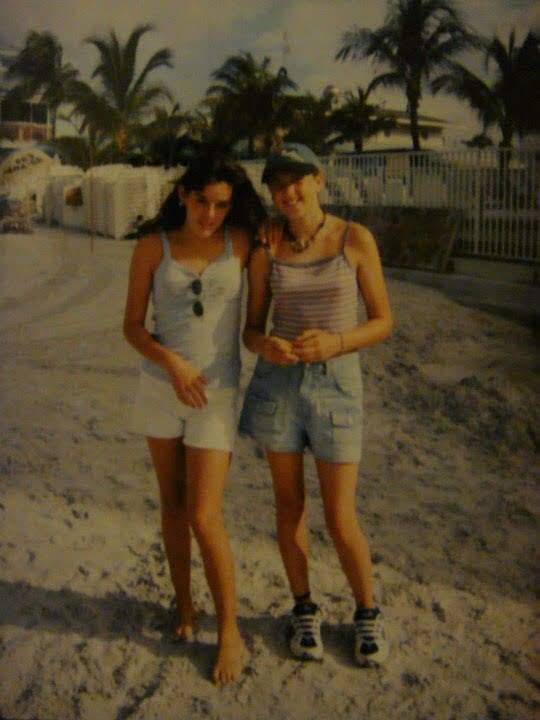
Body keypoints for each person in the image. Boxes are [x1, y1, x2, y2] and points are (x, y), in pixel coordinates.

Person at [239, 143, 393, 666]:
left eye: (297, 180)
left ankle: (367, 612)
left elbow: (382, 320)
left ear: (319, 179)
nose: (288, 192)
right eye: (278, 185)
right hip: (278, 385)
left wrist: (337, 342)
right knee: (289, 507)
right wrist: (267, 345)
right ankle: (303, 608)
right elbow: (250, 330)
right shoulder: (267, 244)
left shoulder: (355, 238)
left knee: (340, 515)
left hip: (337, 384)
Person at [123, 151, 266, 686]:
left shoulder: (243, 244)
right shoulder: (150, 248)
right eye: (202, 201)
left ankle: (229, 628)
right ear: (183, 194)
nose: (210, 214)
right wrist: (173, 363)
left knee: (205, 514)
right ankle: (184, 606)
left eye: (221, 205)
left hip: (218, 394)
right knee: (173, 506)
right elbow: (133, 327)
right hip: (160, 389)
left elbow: (263, 305)